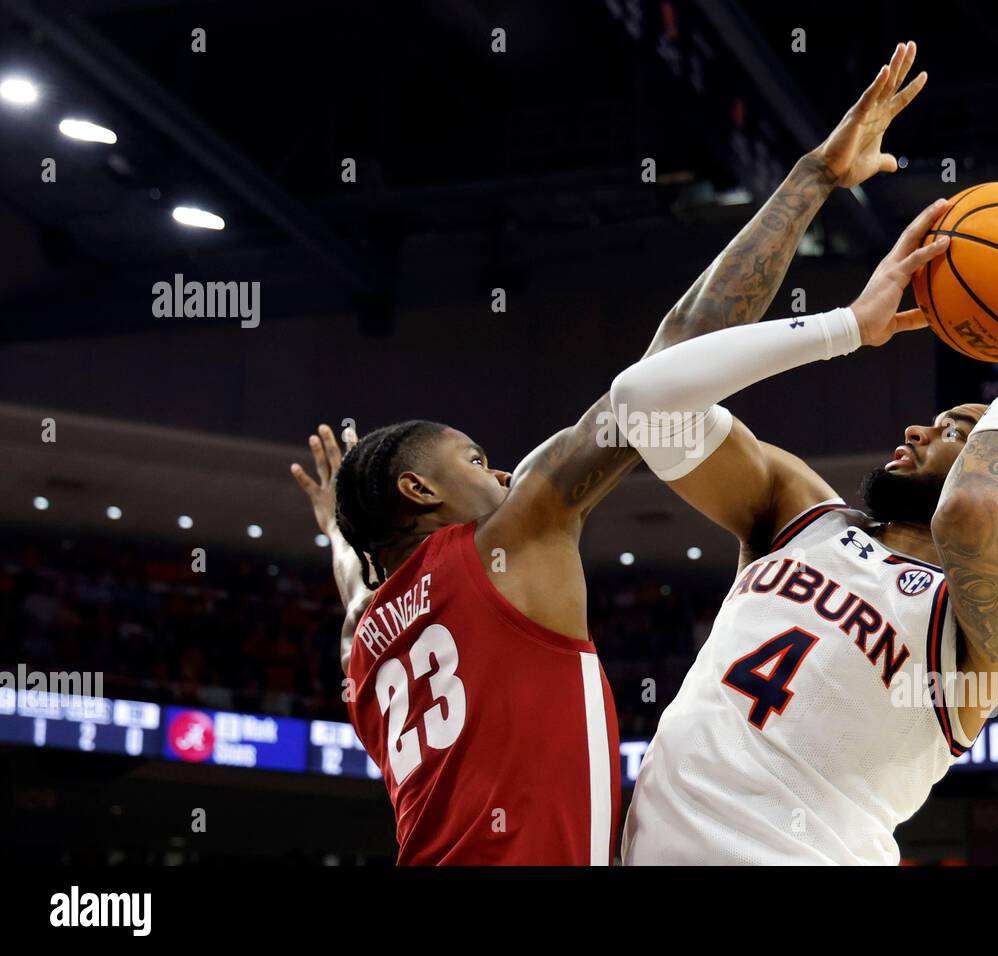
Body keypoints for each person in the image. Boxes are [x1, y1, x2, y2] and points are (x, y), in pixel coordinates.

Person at [289, 42, 929, 865]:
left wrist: (342, 536)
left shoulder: (371, 656)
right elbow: (666, 367)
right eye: (475, 460)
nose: (504, 473)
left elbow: (357, 595)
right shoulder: (506, 541)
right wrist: (811, 183)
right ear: (417, 489)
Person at [610, 202, 998, 864]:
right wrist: (844, 328)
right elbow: (642, 402)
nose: (918, 430)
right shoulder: (797, 514)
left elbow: (972, 514)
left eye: (959, 433)